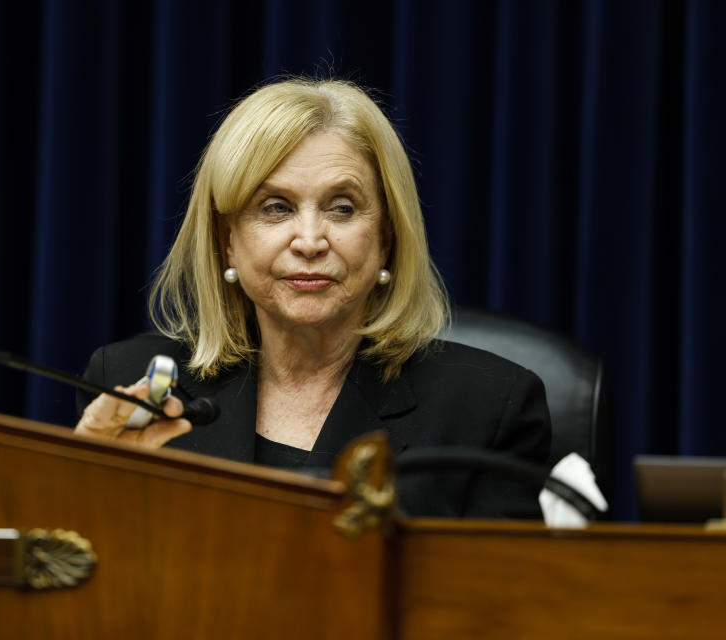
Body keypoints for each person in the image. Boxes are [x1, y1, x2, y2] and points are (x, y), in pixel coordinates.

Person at [75, 78, 550, 518]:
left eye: (342, 208)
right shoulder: (124, 382)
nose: (309, 240)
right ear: (227, 240)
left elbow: (501, 604)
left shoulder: (487, 408)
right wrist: (77, 486)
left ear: (386, 238)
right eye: (275, 208)